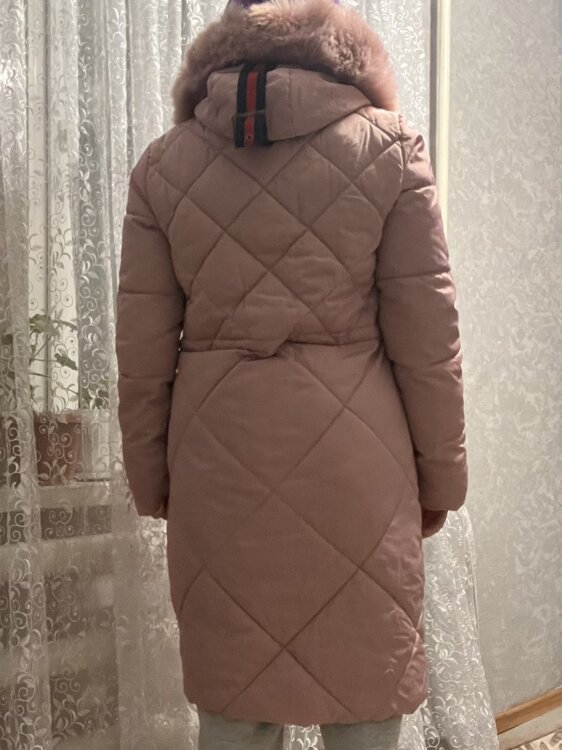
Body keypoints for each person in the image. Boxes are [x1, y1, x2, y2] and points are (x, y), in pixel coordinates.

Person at [115, 0, 468, 747]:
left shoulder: (162, 165)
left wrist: (151, 478)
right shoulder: (390, 147)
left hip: (218, 469)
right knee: (365, 698)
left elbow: (141, 356)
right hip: (358, 470)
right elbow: (429, 346)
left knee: (235, 707)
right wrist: (441, 479)